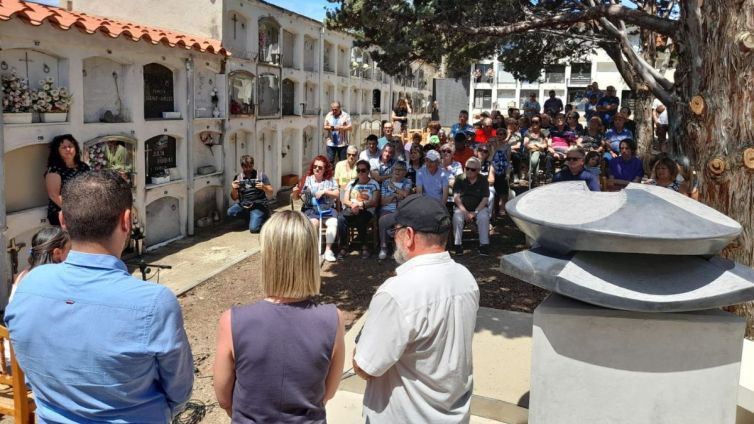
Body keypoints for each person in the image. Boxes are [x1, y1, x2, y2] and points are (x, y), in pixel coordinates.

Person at [6, 170, 194, 422]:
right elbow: (179, 390)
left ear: (63, 221)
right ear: (126, 220)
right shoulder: (154, 303)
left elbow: (28, 368)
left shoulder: (27, 285)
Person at [353, 194, 480, 423]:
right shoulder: (466, 278)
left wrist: (362, 341)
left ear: (409, 235)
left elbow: (365, 367)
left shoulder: (396, 292)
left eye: (396, 230)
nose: (394, 238)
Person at [213, 210, 346, 422]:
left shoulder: (232, 320)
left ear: (268, 257)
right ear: (310, 257)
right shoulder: (334, 319)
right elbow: (327, 394)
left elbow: (223, 398)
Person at [292, 156, 340, 262]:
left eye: (320, 167)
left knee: (333, 222)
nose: (317, 169)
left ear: (325, 169)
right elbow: (296, 198)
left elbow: (337, 194)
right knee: (313, 223)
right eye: (315, 167)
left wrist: (325, 192)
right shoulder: (307, 179)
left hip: (327, 209)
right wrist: (295, 192)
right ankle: (313, 250)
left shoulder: (330, 180)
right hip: (311, 209)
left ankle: (328, 250)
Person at [10, 226, 71, 301]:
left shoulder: (23, 275)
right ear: (57, 253)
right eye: (69, 251)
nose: (73, 254)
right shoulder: (57, 280)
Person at [45, 134, 91, 226]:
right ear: (57, 151)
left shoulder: (83, 167)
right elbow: (54, 195)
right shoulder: (55, 169)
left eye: (70, 146)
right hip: (62, 213)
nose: (68, 149)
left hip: (83, 211)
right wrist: (74, 211)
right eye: (63, 147)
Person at [338, 160, 381, 259]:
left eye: (363, 170)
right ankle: (344, 246)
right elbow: (345, 200)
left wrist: (361, 204)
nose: (360, 173)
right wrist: (353, 205)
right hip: (351, 208)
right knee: (340, 219)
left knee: (360, 220)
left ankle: (364, 246)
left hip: (367, 209)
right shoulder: (352, 183)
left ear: (368, 171)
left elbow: (374, 201)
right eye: (358, 170)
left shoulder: (374, 184)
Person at [452, 157, 491, 256]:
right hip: (462, 207)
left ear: (478, 170)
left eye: (472, 169)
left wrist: (475, 212)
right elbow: (456, 198)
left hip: (479, 207)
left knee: (483, 217)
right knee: (457, 217)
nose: (469, 171)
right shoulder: (460, 179)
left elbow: (485, 199)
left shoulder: (483, 180)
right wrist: (465, 212)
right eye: (467, 168)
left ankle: (484, 245)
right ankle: (457, 244)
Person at [227, 155, 273, 233]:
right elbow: (234, 198)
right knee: (230, 212)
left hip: (258, 205)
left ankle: (264, 216)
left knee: (253, 229)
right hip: (244, 204)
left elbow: (271, 192)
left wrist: (264, 187)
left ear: (253, 165)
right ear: (242, 166)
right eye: (246, 167)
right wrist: (234, 188)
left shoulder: (261, 176)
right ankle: (250, 217)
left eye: (250, 166)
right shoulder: (238, 177)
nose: (248, 169)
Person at [378, 162, 413, 260]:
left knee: (400, 223)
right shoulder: (385, 183)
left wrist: (393, 187)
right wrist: (394, 196)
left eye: (400, 169)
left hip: (402, 210)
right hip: (387, 210)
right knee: (383, 220)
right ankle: (383, 248)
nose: (397, 171)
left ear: (405, 172)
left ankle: (398, 249)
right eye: (395, 169)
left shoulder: (407, 181)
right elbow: (382, 202)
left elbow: (405, 195)